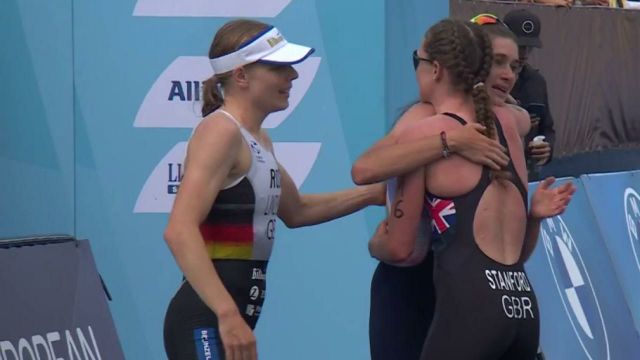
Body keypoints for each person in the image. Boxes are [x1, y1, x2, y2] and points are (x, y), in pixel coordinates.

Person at [162, 19, 384, 360]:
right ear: (241, 76)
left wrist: (374, 194)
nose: (292, 77)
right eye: (279, 67)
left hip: (232, 317)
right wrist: (227, 314)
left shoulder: (257, 140)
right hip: (206, 319)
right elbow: (179, 230)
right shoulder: (220, 132)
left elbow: (297, 211)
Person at [370, 18, 575, 359]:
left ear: (437, 68)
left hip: (455, 303)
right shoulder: (511, 124)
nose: (509, 75)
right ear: (474, 68)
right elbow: (514, 253)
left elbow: (365, 172)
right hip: (518, 306)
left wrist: (376, 242)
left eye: (516, 65)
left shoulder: (428, 123)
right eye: (497, 62)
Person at [503, 9, 555, 179]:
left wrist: (547, 148)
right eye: (519, 46)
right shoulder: (489, 79)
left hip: (527, 174)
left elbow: (547, 128)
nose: (524, 53)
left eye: (529, 47)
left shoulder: (537, 81)